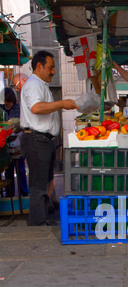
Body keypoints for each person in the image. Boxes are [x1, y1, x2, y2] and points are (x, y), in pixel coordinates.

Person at [20, 50, 79, 226]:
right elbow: (37, 108)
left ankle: (46, 215)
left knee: (46, 181)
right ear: (39, 66)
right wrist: (62, 103)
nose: (53, 72)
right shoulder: (33, 85)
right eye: (50, 68)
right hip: (36, 140)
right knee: (39, 184)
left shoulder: (41, 85)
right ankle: (38, 222)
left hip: (44, 140)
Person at [1, 87, 28, 197]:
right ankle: (9, 194)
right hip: (4, 144)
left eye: (9, 101)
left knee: (21, 169)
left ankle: (24, 193)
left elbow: (24, 123)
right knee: (8, 171)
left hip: (18, 142)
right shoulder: (1, 109)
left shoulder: (19, 108)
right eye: (5, 101)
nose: (7, 103)